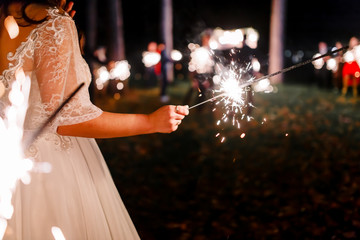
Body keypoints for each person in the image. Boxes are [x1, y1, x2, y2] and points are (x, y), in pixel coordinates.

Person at [0, 1, 189, 239]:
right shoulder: (54, 23)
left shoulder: (8, 17)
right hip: (51, 170)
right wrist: (150, 122)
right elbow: (64, 120)